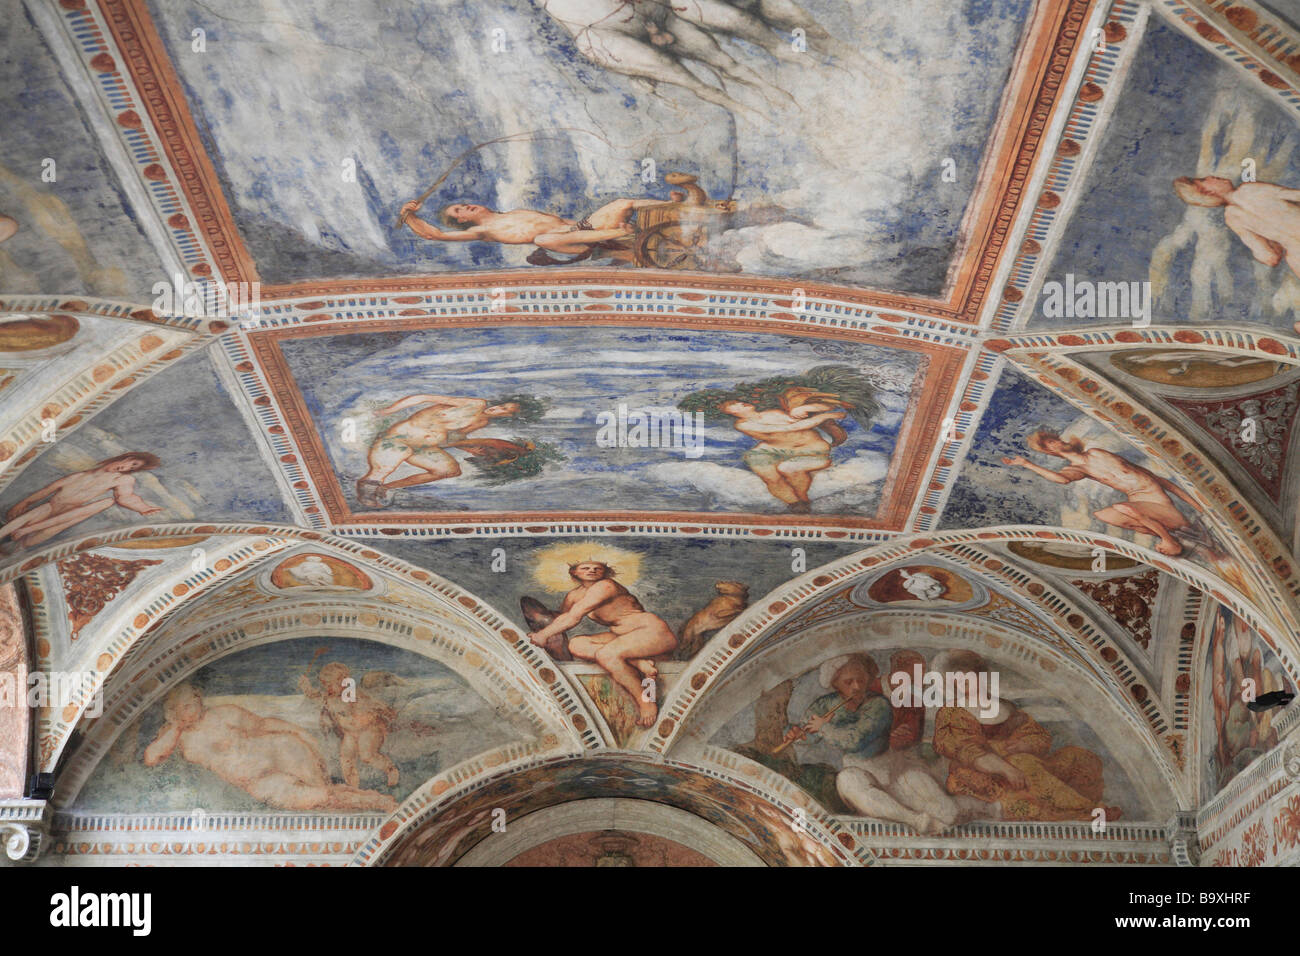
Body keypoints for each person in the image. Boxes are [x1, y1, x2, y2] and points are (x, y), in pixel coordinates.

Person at [929, 650, 1119, 823]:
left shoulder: (1006, 707)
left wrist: (1024, 745)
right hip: (982, 775)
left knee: (1077, 756)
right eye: (959, 681)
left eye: (970, 677)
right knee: (1023, 765)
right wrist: (1007, 768)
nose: (966, 684)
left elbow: (1036, 735)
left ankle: (1080, 803)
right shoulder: (952, 712)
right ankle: (1087, 811)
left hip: (1027, 764)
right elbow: (968, 751)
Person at [142, 683, 397, 811]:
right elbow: (152, 758)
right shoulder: (176, 736)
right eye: (187, 706)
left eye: (195, 701)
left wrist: (302, 734)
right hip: (258, 781)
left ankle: (381, 804)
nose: (195, 707)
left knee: (323, 790)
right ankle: (376, 800)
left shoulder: (221, 713)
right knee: (319, 798)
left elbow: (262, 724)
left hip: (279, 750)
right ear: (175, 712)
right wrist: (175, 726)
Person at [781, 654, 959, 834]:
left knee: (948, 813)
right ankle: (917, 821)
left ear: (867, 679)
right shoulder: (825, 704)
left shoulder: (879, 705)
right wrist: (797, 734)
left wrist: (824, 728)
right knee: (847, 780)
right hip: (859, 773)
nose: (856, 687)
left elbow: (855, 740)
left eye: (860, 680)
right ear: (836, 683)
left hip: (893, 773)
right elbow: (808, 731)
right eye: (848, 682)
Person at [525, 561, 677, 728]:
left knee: (606, 655)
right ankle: (638, 662)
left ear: (605, 572)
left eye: (598, 568)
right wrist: (539, 621)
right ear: (574, 572)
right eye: (586, 568)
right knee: (576, 644)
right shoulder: (574, 596)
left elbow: (573, 617)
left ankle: (646, 703)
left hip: (651, 632)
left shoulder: (606, 586)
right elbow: (561, 619)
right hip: (623, 636)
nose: (592, 570)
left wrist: (543, 635)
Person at [1002, 430, 1200, 556]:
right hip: (1137, 500)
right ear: (1049, 451)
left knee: (1122, 507)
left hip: (1154, 497)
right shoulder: (1078, 470)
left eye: (1054, 439)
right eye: (1050, 444)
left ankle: (1170, 541)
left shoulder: (1096, 453)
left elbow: (1150, 475)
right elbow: (1061, 480)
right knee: (1103, 515)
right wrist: (1027, 464)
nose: (1056, 443)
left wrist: (1194, 502)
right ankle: (1164, 533)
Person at [356, 393, 526, 507]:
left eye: (504, 410)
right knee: (383, 469)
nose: (497, 408)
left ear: (506, 416)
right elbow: (422, 397)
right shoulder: (475, 404)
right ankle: (368, 494)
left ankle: (387, 487)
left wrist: (471, 449)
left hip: (423, 448)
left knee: (450, 470)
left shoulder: (481, 423)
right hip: (399, 439)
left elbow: (455, 438)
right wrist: (387, 411)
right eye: (502, 405)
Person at [400, 195, 673, 259]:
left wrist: (595, 225)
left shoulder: (512, 212)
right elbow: (432, 234)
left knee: (623, 203)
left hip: (583, 230)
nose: (465, 207)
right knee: (542, 238)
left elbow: (571, 225)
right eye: (458, 211)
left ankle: (668, 207)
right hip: (568, 245)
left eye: (462, 204)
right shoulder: (479, 231)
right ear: (461, 221)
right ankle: (622, 232)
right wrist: (409, 215)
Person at [0, 453, 161, 549]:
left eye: (133, 468)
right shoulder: (79, 476)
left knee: (106, 503)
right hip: (49, 510)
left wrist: (143, 507)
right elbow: (46, 491)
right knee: (41, 510)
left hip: (63, 519)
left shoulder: (121, 479)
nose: (127, 469)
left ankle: (24, 535)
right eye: (131, 464)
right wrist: (24, 502)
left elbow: (126, 497)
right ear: (127, 457)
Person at [720, 399, 847, 513]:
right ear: (732, 412)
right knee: (765, 470)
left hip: (811, 448)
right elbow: (791, 428)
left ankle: (803, 499)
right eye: (734, 405)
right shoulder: (743, 424)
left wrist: (806, 408)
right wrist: (826, 416)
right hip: (781, 449)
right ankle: (794, 503)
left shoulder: (773, 413)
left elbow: (801, 418)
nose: (741, 403)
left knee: (788, 468)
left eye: (738, 402)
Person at [298, 662, 401, 789]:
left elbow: (374, 703)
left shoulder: (352, 694)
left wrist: (385, 711)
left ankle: (391, 770)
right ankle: (352, 786)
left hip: (368, 729)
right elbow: (313, 695)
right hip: (349, 733)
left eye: (331, 684)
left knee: (367, 756)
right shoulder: (328, 696)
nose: (327, 688)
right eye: (324, 684)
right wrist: (305, 686)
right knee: (346, 759)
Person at [1174, 176, 1300, 278]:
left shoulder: (1233, 219)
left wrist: (1278, 241)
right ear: (1207, 192)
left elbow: (1269, 257)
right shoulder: (1250, 189)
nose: (1211, 177)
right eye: (1204, 180)